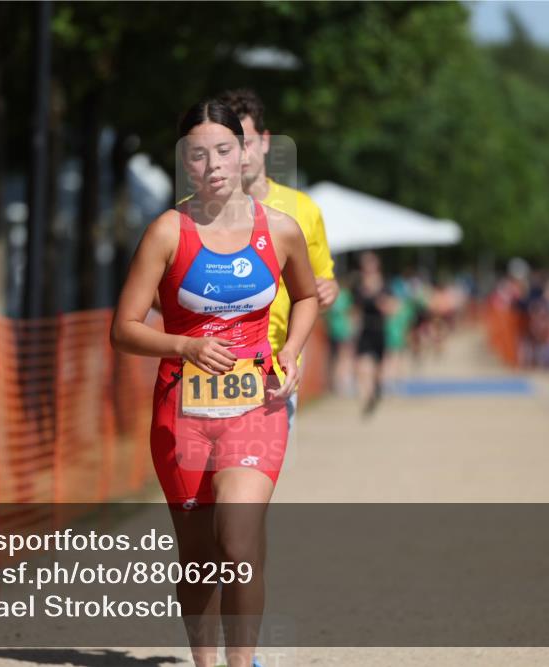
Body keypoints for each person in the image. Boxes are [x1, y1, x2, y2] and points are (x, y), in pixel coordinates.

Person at [110, 99, 318, 667]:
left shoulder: (281, 229)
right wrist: (186, 345)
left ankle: (239, 663)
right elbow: (123, 330)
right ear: (185, 163)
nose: (214, 165)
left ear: (245, 151)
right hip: (182, 411)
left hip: (258, 406)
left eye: (225, 150)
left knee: (238, 545)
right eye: (198, 155)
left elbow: (305, 295)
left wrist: (292, 352)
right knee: (199, 561)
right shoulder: (166, 233)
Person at [216, 89, 338, 428]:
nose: (239, 156)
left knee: (255, 475)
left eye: (247, 143)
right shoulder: (192, 208)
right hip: (209, 366)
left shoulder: (303, 210)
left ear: (266, 142)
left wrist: (329, 289)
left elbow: (320, 285)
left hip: (275, 367)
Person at [354, 252, 390, 415]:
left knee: (377, 367)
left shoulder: (384, 284)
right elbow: (355, 308)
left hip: (379, 329)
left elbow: (390, 307)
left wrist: (380, 301)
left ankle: (376, 389)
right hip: (365, 329)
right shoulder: (359, 285)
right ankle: (366, 396)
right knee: (363, 365)